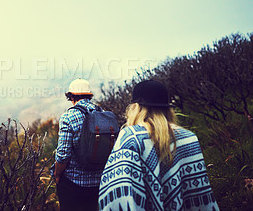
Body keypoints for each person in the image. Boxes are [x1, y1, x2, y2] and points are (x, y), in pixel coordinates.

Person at [98, 80, 219, 210]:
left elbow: (119, 194)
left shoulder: (131, 138)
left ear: (136, 108)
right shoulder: (189, 138)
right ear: (167, 108)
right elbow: (200, 195)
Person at [53, 78, 102, 211]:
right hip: (99, 183)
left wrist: (57, 175)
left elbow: (63, 155)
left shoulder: (68, 117)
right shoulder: (102, 114)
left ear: (71, 96)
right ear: (89, 95)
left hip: (74, 183)